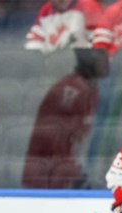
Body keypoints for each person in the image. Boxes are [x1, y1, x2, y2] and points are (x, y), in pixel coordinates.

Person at [22, 49, 109, 189]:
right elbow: (56, 140)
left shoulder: (88, 88)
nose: (107, 61)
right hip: (48, 174)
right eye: (101, 55)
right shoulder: (75, 89)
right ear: (89, 60)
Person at [24, 0, 103, 53]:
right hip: (51, 68)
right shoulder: (46, 10)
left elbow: (99, 42)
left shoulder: (88, 5)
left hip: (81, 69)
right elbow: (34, 42)